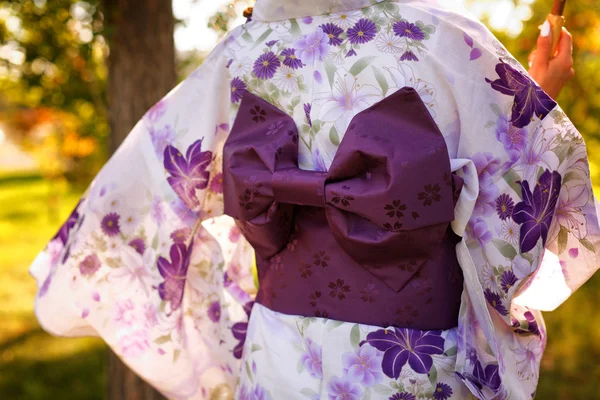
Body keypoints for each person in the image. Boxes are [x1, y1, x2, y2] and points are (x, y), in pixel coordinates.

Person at [29, 1, 597, 399]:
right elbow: (511, 204)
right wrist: (535, 103)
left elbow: (148, 190)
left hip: (278, 358)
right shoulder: (446, 41)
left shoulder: (240, 55)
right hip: (411, 365)